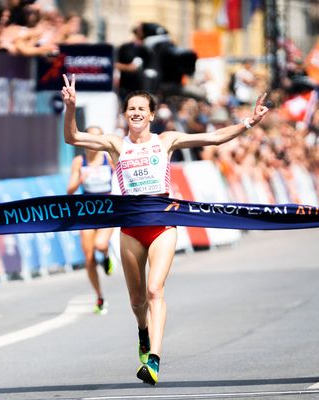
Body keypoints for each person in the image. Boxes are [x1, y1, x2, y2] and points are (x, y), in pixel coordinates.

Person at [61, 73, 269, 385]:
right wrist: (70, 107)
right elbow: (72, 137)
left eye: (141, 109)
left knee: (155, 290)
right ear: (125, 114)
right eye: (131, 109)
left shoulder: (166, 140)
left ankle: (154, 360)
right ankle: (142, 331)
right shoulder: (116, 144)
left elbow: (214, 138)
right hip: (130, 227)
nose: (135, 113)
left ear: (152, 115)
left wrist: (249, 122)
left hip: (162, 224)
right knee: (136, 302)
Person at [66, 126, 115, 315]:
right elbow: (69, 190)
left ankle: (107, 256)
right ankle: (99, 296)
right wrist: (80, 179)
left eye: (97, 139)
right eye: (90, 139)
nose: (94, 144)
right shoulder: (79, 161)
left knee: (101, 244)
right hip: (86, 212)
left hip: (107, 211)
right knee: (88, 258)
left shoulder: (108, 158)